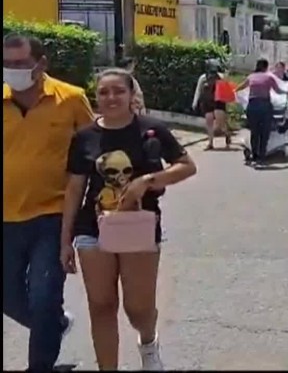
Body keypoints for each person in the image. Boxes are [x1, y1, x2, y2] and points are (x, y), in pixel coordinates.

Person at [60, 69, 197, 371]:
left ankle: (148, 343)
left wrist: (147, 181)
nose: (111, 97)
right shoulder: (84, 137)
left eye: (118, 91)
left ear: (131, 95)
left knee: (138, 308)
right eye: (104, 92)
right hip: (93, 229)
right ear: (96, 96)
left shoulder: (152, 130)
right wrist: (65, 240)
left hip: (139, 227)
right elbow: (74, 190)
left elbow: (187, 166)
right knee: (101, 305)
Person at [3, 35, 94, 371]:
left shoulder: (71, 99)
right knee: (9, 296)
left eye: (19, 63)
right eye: (6, 64)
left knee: (44, 295)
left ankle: (40, 365)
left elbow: (94, 146)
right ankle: (54, 325)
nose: (11, 70)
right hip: (6, 215)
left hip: (53, 214)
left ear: (41, 64)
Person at [235, 59, 287, 166]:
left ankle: (255, 155)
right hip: (264, 106)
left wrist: (234, 91)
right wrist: (287, 92)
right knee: (264, 132)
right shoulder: (269, 77)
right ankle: (262, 156)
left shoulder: (251, 77)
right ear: (266, 67)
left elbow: (241, 87)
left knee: (254, 132)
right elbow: (277, 90)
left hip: (252, 106)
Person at [191, 60, 231, 150]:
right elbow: (198, 90)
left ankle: (227, 134)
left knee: (221, 123)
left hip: (219, 101)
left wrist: (227, 102)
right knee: (209, 122)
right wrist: (195, 102)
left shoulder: (221, 77)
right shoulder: (203, 78)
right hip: (207, 102)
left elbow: (226, 89)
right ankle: (210, 143)